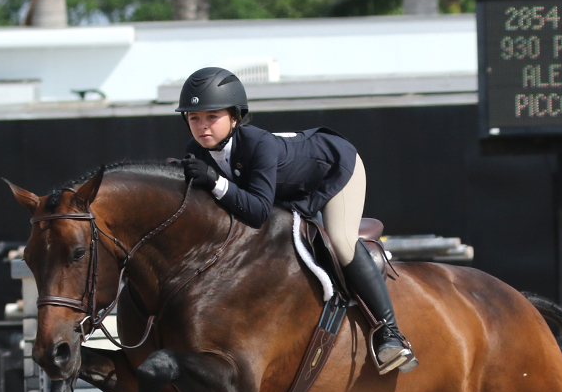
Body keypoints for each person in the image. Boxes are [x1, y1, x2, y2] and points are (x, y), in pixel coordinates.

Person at [176, 67, 417, 375]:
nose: (201, 126)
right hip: (289, 191)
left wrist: (214, 182)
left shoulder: (258, 144)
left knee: (341, 241)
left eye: (212, 116)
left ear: (235, 117)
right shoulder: (197, 151)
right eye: (194, 118)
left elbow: (258, 211)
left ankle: (390, 333)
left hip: (334, 169)